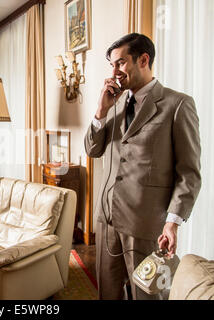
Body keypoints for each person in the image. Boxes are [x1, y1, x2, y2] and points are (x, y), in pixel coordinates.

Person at [84, 33, 201, 300]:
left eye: (120, 63)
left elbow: (189, 173)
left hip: (147, 225)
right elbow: (93, 149)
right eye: (111, 65)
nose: (114, 72)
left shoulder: (178, 104)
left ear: (144, 59)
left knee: (148, 296)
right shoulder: (114, 103)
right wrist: (101, 112)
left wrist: (172, 223)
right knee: (108, 293)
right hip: (107, 220)